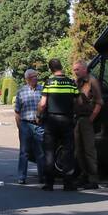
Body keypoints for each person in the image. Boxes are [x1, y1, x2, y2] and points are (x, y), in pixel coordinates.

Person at [37, 59, 80, 191]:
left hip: (51, 120)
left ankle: (49, 183)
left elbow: (43, 103)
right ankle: (68, 183)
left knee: (49, 151)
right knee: (68, 151)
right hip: (67, 120)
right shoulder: (71, 82)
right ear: (61, 67)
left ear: (51, 69)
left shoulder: (49, 83)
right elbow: (78, 102)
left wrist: (38, 115)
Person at [72, 60, 103, 190]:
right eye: (74, 69)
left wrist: (91, 119)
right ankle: (84, 175)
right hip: (77, 119)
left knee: (89, 150)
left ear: (84, 69)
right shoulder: (77, 82)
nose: (75, 72)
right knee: (79, 151)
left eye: (77, 69)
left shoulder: (92, 81)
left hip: (86, 119)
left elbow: (99, 102)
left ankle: (93, 179)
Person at [13, 69, 45, 185]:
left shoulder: (43, 90)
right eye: (32, 77)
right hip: (25, 124)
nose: (35, 78)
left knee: (40, 152)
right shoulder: (21, 92)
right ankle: (22, 177)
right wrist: (19, 127)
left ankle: (43, 176)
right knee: (24, 152)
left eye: (36, 76)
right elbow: (17, 111)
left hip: (39, 125)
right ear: (27, 79)